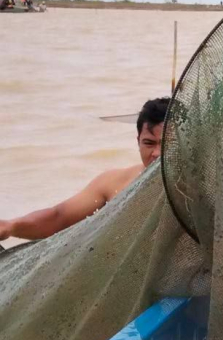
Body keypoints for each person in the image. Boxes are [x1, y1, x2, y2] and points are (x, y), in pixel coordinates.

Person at [0, 97, 169, 245]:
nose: (156, 153)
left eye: (167, 142)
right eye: (149, 143)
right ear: (138, 141)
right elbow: (58, 217)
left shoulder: (186, 187)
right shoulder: (113, 182)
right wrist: (12, 226)